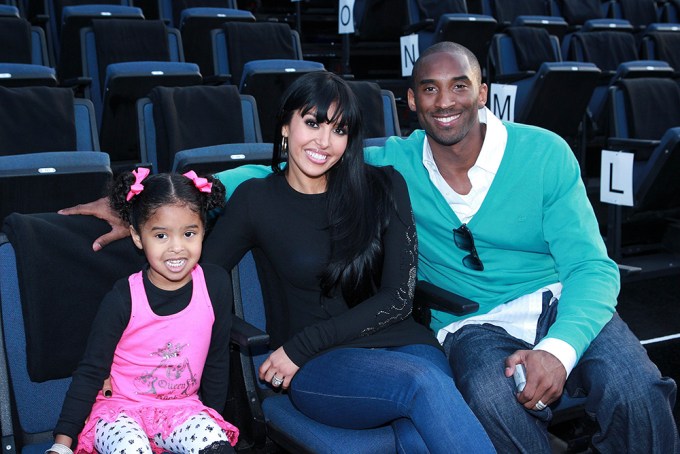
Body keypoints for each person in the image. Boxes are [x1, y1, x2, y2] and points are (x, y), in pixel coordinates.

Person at [60, 44, 680, 451]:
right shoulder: (270, 196)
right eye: (311, 122)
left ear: (483, 90)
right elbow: (205, 256)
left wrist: (558, 349)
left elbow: (400, 295)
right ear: (284, 125)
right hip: (342, 360)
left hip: (451, 332)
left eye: (339, 128)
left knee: (436, 417)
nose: (323, 140)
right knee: (440, 391)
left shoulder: (388, 181)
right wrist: (144, 208)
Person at [49, 169, 239, 454]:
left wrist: (209, 418)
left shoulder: (215, 284)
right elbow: (91, 371)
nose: (177, 248)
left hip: (180, 409)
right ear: (138, 237)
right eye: (161, 235)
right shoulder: (123, 298)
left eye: (189, 233)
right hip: (119, 411)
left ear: (203, 231)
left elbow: (216, 361)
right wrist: (62, 443)